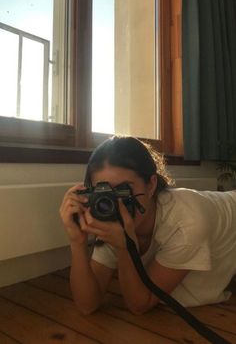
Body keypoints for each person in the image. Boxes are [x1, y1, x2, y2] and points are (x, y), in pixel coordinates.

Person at [60, 135, 236, 315]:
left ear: (151, 185)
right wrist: (77, 242)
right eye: (103, 191)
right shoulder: (110, 213)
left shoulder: (186, 222)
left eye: (124, 189)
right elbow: (87, 305)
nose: (113, 202)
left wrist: (124, 247)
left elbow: (140, 304)